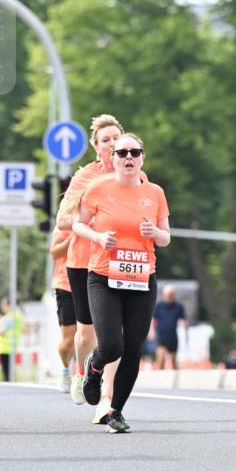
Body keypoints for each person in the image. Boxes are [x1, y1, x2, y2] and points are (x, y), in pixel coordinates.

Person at [73, 132, 170, 433]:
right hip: (103, 276)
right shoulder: (98, 188)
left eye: (134, 152)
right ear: (112, 158)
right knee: (112, 344)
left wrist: (154, 232)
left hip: (142, 279)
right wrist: (98, 237)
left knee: (133, 348)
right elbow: (77, 222)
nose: (129, 158)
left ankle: (115, 411)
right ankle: (94, 366)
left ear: (142, 158)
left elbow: (166, 238)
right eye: (122, 153)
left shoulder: (155, 193)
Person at [58, 114, 148, 424]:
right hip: (84, 262)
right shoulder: (85, 178)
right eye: (106, 140)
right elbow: (62, 221)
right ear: (97, 147)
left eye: (117, 140)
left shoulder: (139, 178)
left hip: (123, 265)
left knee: (114, 337)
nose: (113, 146)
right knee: (86, 336)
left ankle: (107, 402)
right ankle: (82, 372)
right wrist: (98, 222)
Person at [50, 225, 76, 392]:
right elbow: (54, 253)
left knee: (90, 336)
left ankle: (84, 375)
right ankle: (66, 370)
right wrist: (73, 238)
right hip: (65, 285)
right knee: (68, 341)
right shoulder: (64, 225)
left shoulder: (98, 221)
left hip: (92, 284)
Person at [152, 285, 186, 369]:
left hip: (172, 336)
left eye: (170, 295)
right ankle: (159, 378)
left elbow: (184, 320)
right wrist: (152, 331)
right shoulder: (159, 306)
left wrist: (186, 333)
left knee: (173, 361)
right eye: (167, 295)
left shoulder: (178, 306)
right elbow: (154, 319)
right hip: (161, 335)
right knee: (161, 359)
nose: (168, 297)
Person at [0, 298, 23, 382]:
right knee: (10, 373)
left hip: (5, 348)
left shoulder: (9, 317)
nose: (2, 307)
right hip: (11, 347)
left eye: (3, 305)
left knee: (7, 374)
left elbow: (0, 331)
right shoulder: (17, 315)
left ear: (9, 305)